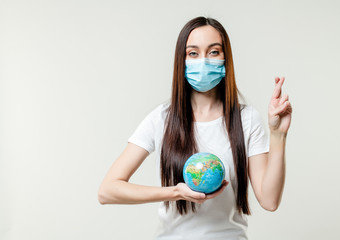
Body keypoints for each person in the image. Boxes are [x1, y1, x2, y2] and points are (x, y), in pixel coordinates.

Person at [98, 16, 292, 240]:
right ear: (181, 61)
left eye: (213, 52)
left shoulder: (246, 119)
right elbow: (107, 191)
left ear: (226, 59)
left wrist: (278, 134)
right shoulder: (162, 119)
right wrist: (175, 192)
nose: (203, 61)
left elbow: (269, 200)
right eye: (193, 53)